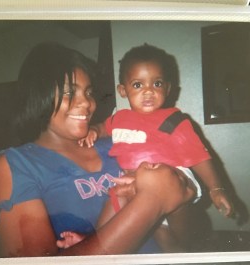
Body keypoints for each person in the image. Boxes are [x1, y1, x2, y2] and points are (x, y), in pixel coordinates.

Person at [0, 42, 198, 257]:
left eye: (88, 92)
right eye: (70, 92)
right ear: (39, 95)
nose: (87, 103)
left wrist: (176, 193)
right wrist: (152, 201)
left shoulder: (120, 144)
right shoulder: (16, 165)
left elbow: (184, 240)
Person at [74, 43, 234, 251]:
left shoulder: (174, 120)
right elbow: (104, 127)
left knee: (181, 244)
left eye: (156, 84)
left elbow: (199, 156)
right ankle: (95, 241)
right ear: (123, 90)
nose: (148, 91)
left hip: (174, 178)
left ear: (167, 88)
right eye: (138, 85)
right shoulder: (120, 118)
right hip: (135, 184)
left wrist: (216, 188)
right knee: (117, 200)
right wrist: (94, 131)